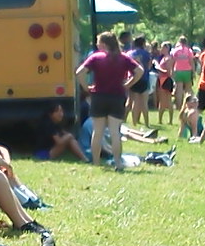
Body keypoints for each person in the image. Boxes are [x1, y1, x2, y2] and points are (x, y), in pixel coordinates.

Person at [75, 31, 142, 170]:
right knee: (115, 132)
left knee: (97, 132)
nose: (97, 45)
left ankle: (96, 162)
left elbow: (79, 72)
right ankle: (118, 163)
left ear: (104, 44)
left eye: (98, 42)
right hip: (117, 97)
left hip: (99, 96)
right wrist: (128, 84)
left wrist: (86, 87)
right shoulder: (123, 58)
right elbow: (139, 71)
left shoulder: (96, 57)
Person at [124, 35, 153, 128]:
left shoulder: (130, 54)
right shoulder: (146, 53)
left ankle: (134, 122)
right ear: (143, 43)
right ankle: (147, 123)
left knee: (133, 102)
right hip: (144, 78)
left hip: (133, 78)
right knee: (144, 103)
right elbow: (149, 66)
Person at [170, 36, 197, 105]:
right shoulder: (189, 51)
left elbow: (172, 62)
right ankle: (189, 104)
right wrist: (193, 72)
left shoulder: (175, 50)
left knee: (179, 89)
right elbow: (191, 62)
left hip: (178, 71)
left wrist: (172, 70)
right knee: (188, 89)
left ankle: (179, 105)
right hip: (187, 71)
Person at [154, 41, 175, 125]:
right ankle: (161, 120)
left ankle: (168, 120)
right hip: (162, 79)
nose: (160, 49)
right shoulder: (164, 58)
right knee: (163, 101)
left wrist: (157, 67)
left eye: (162, 47)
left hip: (165, 80)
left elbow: (168, 72)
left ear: (166, 48)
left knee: (166, 101)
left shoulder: (168, 58)